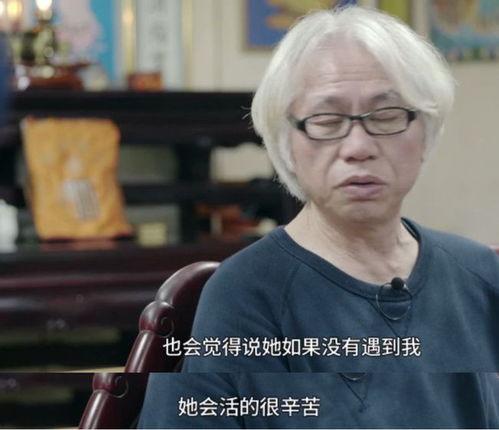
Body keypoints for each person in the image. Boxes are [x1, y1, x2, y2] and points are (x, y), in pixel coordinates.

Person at [139, 5, 499, 428]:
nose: (358, 147)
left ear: (425, 130)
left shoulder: (481, 275)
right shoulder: (245, 295)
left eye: (386, 116)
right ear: (286, 141)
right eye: (327, 121)